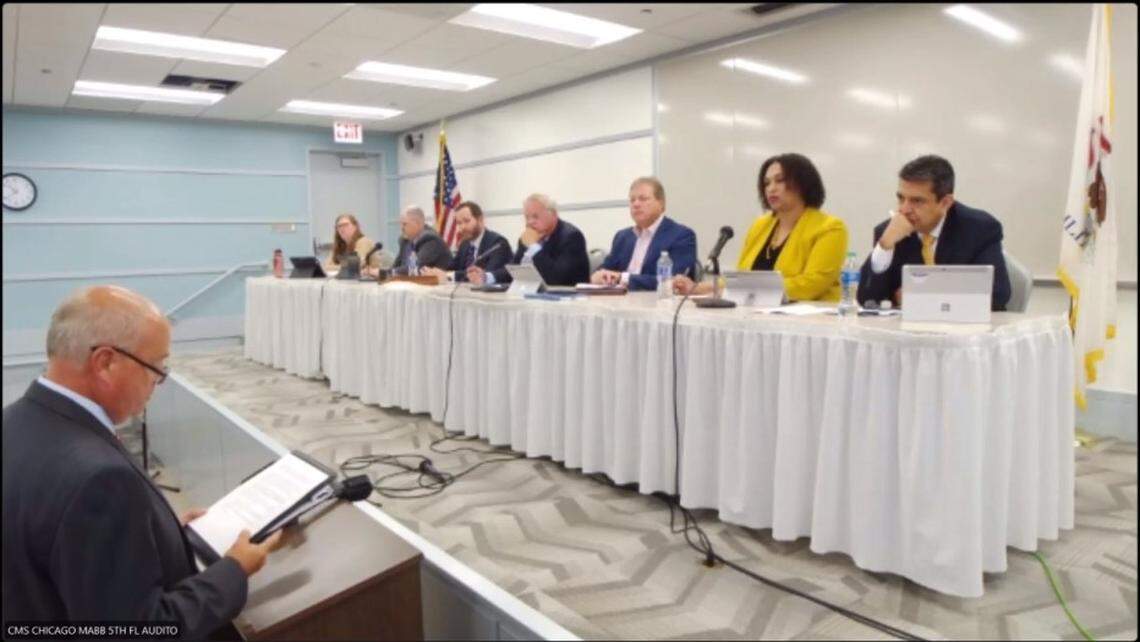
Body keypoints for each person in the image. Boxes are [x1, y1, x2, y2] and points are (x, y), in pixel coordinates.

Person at [2, 286, 283, 638]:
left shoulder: (15, 422)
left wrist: (157, 533)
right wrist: (233, 571)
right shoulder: (99, 478)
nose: (159, 381)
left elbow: (55, 546)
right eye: (156, 366)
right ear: (105, 362)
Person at [674, 153, 848, 301]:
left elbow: (813, 283)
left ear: (803, 184)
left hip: (811, 324)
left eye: (780, 180)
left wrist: (749, 291)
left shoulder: (830, 228)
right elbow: (742, 279)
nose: (771, 188)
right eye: (766, 183)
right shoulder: (760, 226)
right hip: (758, 317)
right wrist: (697, 288)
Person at [856, 155, 1011, 310]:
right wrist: (884, 246)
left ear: (945, 203)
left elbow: (997, 295)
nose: (903, 209)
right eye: (901, 198)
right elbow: (868, 300)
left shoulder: (979, 228)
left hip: (964, 330)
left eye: (917, 201)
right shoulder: (889, 232)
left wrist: (921, 295)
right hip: (909, 330)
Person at [591, 177, 697, 290]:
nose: (636, 204)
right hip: (617, 302)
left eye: (643, 199)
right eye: (632, 200)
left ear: (661, 203)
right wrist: (599, 276)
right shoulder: (622, 237)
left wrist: (623, 278)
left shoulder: (681, 235)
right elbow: (605, 270)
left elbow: (674, 282)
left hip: (658, 303)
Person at [467, 193, 590, 287]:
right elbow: (515, 270)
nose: (530, 222)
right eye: (527, 217)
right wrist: (487, 277)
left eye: (535, 217)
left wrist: (534, 247)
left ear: (553, 215)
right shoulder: (527, 238)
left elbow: (556, 278)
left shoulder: (571, 237)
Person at [421, 201, 510, 283]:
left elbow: (483, 276)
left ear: (480, 220)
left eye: (467, 221)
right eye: (459, 223)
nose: (462, 227)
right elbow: (452, 268)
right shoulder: (465, 244)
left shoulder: (497, 243)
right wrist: (434, 272)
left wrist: (449, 276)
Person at [393, 205, 452, 272]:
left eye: (404, 224)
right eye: (400, 224)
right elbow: (395, 267)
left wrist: (387, 273)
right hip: (409, 281)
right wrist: (382, 273)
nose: (401, 228)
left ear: (417, 223)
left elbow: (414, 269)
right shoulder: (405, 241)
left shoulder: (430, 239)